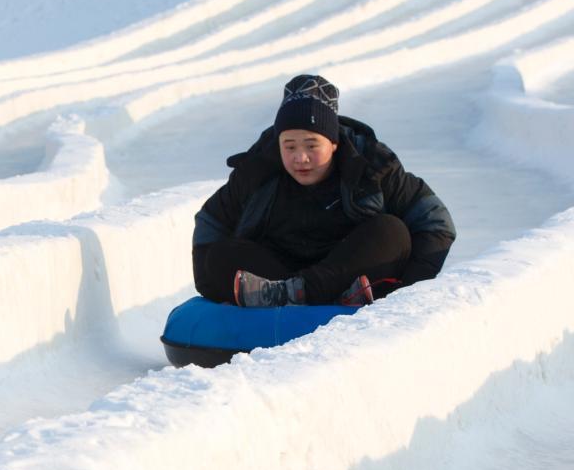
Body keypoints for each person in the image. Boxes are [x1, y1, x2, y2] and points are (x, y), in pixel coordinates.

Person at [192, 74, 456, 308]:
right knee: (220, 256)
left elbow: (436, 222)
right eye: (290, 146)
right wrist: (213, 288)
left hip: (349, 273)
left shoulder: (372, 167)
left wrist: (407, 290)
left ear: (334, 143)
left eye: (311, 145)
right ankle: (293, 295)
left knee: (391, 232)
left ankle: (301, 295)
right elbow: (210, 221)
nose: (300, 158)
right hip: (276, 277)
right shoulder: (257, 171)